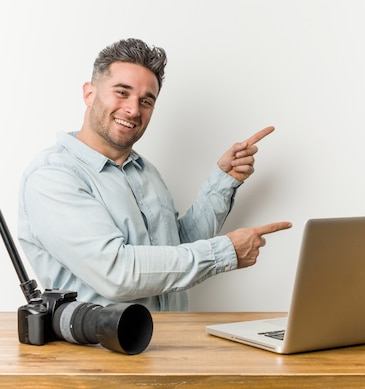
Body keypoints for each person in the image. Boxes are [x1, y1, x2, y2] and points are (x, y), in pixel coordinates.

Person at [18, 38, 292, 311]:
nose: (133, 109)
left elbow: (175, 249)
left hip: (170, 345)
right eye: (122, 92)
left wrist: (223, 181)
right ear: (89, 93)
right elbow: (116, 272)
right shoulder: (53, 176)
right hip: (102, 352)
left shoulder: (145, 171)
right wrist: (225, 252)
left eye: (146, 101)